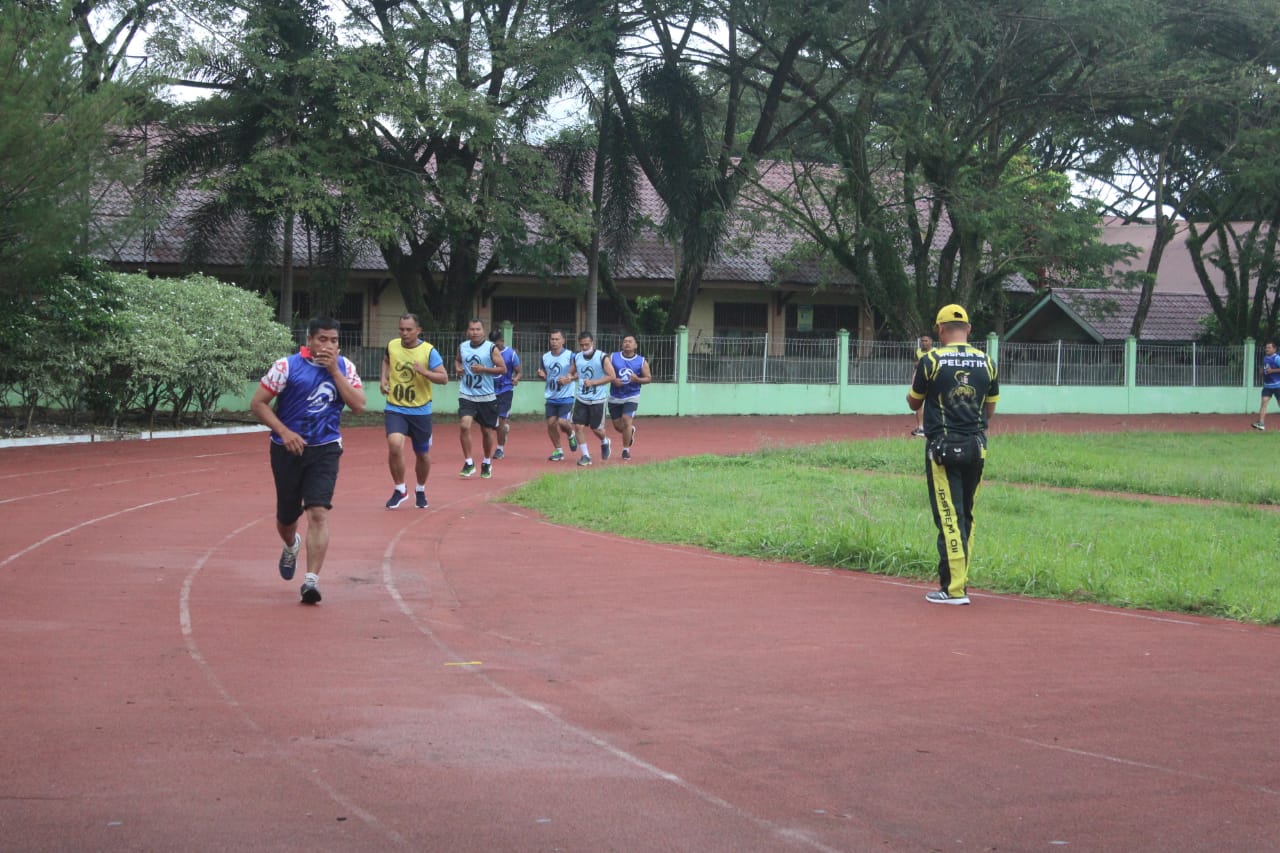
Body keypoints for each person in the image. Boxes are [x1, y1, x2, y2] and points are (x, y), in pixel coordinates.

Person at [249, 317, 366, 605]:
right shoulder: (286, 367)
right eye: (322, 339)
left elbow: (358, 406)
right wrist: (284, 432)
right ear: (309, 340)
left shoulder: (346, 367)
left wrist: (334, 371)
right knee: (287, 518)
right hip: (287, 450)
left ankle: (311, 581)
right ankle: (292, 544)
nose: (328, 345)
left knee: (318, 512)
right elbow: (258, 404)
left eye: (334, 340)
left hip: (326, 449)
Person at [906, 304, 998, 606]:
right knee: (966, 514)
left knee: (948, 516)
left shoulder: (931, 360)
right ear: (968, 329)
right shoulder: (987, 361)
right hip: (976, 447)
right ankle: (960, 581)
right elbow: (990, 409)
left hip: (942, 449)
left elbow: (913, 402)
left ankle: (954, 589)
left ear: (940, 330)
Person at [379, 313, 448, 509]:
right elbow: (386, 361)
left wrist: (425, 372)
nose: (404, 333)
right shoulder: (392, 345)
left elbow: (444, 378)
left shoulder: (429, 351)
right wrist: (383, 379)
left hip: (420, 411)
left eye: (409, 329)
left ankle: (420, 489)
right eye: (401, 329)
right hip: (395, 407)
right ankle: (400, 489)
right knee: (394, 445)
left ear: (418, 330)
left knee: (422, 455)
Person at [455, 318, 506, 479]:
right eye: (471, 329)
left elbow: (503, 369)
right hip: (467, 394)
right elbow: (457, 361)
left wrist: (484, 369)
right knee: (464, 425)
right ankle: (469, 463)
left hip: (486, 397)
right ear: (467, 331)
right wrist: (458, 368)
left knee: (486, 431)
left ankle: (486, 462)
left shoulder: (491, 348)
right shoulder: (463, 347)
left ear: (483, 331)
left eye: (478, 329)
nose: (474, 332)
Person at [564, 331, 616, 466]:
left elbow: (612, 376)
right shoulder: (577, 357)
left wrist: (594, 382)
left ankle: (605, 441)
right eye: (582, 345)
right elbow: (572, 372)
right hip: (581, 397)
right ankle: (585, 456)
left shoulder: (602, 357)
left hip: (598, 399)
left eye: (587, 344)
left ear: (592, 343)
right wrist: (568, 378)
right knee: (578, 426)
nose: (584, 347)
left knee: (596, 429)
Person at [608, 334, 651, 461]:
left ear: (635, 345)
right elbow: (605, 371)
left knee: (626, 420)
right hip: (615, 396)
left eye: (630, 341)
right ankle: (630, 431)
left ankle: (626, 450)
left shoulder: (641, 361)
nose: (627, 343)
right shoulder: (613, 357)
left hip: (632, 395)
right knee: (618, 426)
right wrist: (613, 380)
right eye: (625, 341)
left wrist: (637, 379)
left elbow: (648, 378)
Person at [537, 329, 578, 461]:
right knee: (550, 424)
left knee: (562, 422)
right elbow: (545, 374)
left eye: (557, 339)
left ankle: (571, 434)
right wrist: (541, 375)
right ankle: (558, 450)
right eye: (552, 339)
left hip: (566, 396)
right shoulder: (545, 357)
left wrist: (569, 379)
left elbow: (579, 373)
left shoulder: (570, 355)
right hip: (551, 396)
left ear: (563, 341)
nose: (554, 342)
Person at [489, 329, 522, 458]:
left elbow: (519, 371)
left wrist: (516, 378)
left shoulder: (511, 354)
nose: (495, 347)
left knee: (501, 419)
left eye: (496, 344)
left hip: (505, 390)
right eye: (492, 344)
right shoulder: (488, 352)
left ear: (502, 341)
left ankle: (500, 449)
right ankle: (503, 430)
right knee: (491, 422)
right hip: (490, 391)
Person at [1252, 341, 1280, 431]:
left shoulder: (1277, 358)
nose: (1267, 349)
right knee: (1264, 402)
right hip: (1267, 386)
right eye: (1266, 347)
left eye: (1269, 348)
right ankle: (1261, 424)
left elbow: (1272, 370)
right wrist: (1262, 371)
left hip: (1277, 385)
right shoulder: (1265, 358)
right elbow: (1266, 369)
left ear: (1274, 349)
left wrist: (1272, 371)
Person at [911, 334, 933, 437]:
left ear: (931, 342)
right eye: (922, 341)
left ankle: (932, 426)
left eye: (926, 341)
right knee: (918, 402)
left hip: (931, 379)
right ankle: (920, 427)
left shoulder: (935, 352)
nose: (924, 343)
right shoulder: (918, 352)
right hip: (919, 378)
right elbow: (915, 364)